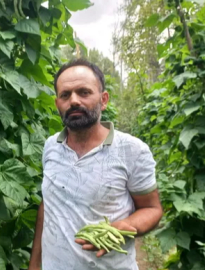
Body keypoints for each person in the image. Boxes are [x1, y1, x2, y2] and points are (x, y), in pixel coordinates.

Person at [28, 59, 163, 270]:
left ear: (103, 99)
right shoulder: (50, 146)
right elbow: (48, 207)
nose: (73, 101)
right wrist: (35, 265)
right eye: (65, 95)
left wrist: (124, 228)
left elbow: (152, 208)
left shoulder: (132, 150)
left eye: (84, 92)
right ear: (57, 104)